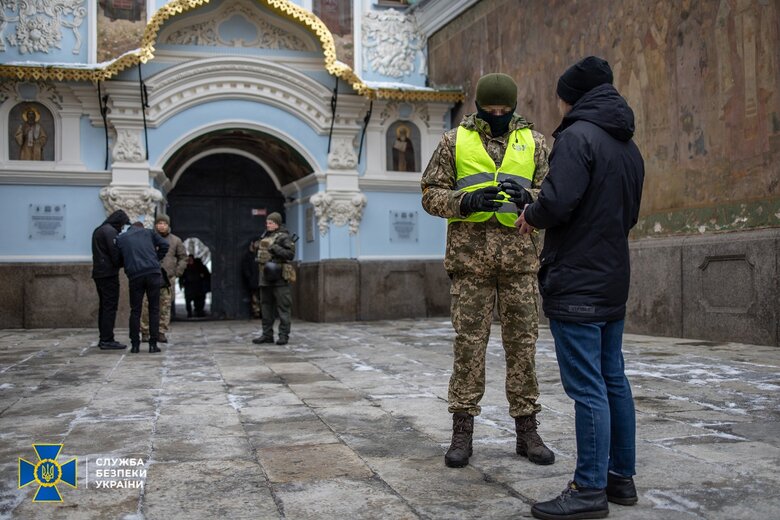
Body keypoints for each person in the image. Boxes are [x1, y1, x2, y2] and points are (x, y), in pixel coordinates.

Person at [516, 56, 645, 520]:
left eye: (562, 98)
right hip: (612, 276)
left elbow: (558, 201)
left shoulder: (576, 137)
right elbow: (629, 214)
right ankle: (620, 478)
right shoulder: (627, 145)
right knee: (613, 379)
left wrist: (531, 215)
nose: (560, 106)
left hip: (576, 278)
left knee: (588, 387)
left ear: (572, 97)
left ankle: (588, 488)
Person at [421, 73, 555, 469]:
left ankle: (527, 430)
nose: (497, 115)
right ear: (478, 107)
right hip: (470, 263)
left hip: (520, 262)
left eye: (504, 109)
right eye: (490, 109)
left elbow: (554, 194)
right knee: (469, 347)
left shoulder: (536, 143)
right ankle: (462, 431)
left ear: (514, 107)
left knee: (523, 346)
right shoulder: (453, 142)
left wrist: (529, 197)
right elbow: (430, 193)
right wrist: (464, 201)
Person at [116, 222, 169, 354]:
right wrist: (156, 259)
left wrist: (128, 264)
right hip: (153, 273)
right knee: (154, 309)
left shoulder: (122, 238)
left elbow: (118, 257)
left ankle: (135, 345)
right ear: (142, 227)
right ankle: (153, 344)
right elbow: (165, 244)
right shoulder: (149, 232)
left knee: (135, 310)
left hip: (135, 275)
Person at [140, 215, 187, 343]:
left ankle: (161, 331)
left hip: (167, 279)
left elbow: (183, 257)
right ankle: (145, 331)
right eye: (159, 223)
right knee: (146, 305)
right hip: (150, 276)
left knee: (165, 306)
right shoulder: (149, 238)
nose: (162, 226)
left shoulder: (175, 240)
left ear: (168, 225)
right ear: (155, 225)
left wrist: (178, 271)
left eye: (164, 223)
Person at [251, 212, 295, 346]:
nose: (268, 225)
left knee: (283, 307)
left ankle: (283, 335)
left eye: (270, 223)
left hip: (279, 277)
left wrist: (274, 247)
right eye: (267, 222)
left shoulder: (284, 237)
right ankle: (267, 335)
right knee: (266, 307)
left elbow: (290, 254)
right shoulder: (265, 235)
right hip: (265, 277)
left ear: (277, 224)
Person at [91, 209, 130, 350]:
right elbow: (115, 254)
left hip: (99, 273)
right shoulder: (110, 232)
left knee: (104, 307)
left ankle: (104, 337)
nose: (122, 228)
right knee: (109, 307)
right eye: (123, 224)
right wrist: (123, 262)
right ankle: (107, 339)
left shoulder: (99, 229)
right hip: (108, 274)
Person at [242, 239, 262, 319]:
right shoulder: (248, 256)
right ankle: (256, 313)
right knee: (255, 298)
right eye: (256, 243)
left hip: (262, 280)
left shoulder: (261, 254)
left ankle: (263, 313)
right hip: (253, 281)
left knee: (263, 297)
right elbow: (245, 268)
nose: (258, 244)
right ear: (252, 244)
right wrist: (250, 277)